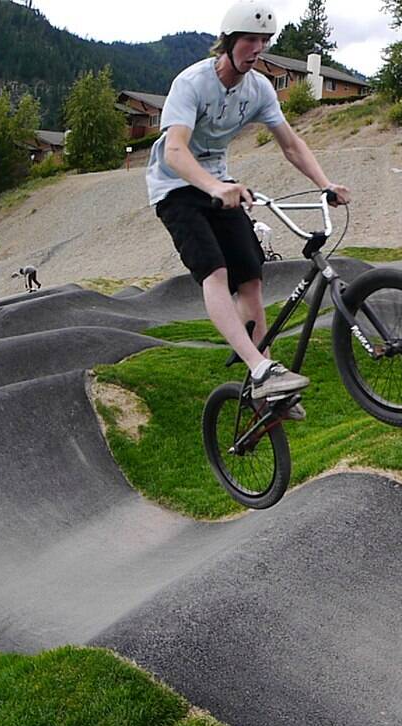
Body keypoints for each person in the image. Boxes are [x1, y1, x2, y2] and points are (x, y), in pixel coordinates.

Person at [145, 0, 350, 420]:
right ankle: (258, 369)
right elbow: (175, 150)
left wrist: (325, 183)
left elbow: (291, 144)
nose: (257, 49)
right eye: (250, 40)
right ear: (229, 42)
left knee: (252, 278)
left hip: (223, 186)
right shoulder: (192, 83)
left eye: (264, 41)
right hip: (175, 188)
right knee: (215, 271)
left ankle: (269, 383)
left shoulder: (259, 90)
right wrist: (215, 186)